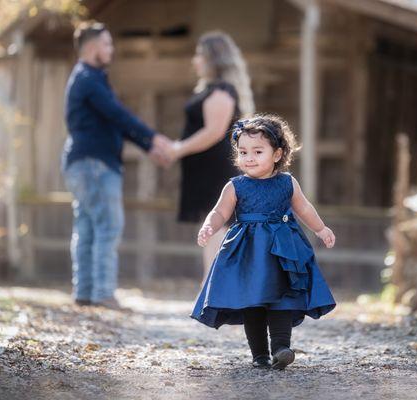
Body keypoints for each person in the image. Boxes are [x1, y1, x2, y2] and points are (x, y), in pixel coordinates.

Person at [191, 115, 337, 369]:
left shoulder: (287, 182)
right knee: (253, 301)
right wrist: (209, 226)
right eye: (243, 151)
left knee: (283, 298)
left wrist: (321, 228)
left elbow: (304, 209)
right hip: (248, 253)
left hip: (282, 250)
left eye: (258, 151)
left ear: (277, 154)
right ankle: (259, 354)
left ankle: (281, 348)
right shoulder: (235, 186)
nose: (249, 157)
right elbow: (220, 212)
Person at [61, 22, 172, 309]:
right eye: (107, 44)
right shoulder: (88, 78)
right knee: (108, 226)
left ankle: (85, 293)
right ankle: (103, 293)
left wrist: (148, 148)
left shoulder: (88, 78)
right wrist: (153, 137)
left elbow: (112, 121)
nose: (111, 50)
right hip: (94, 163)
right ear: (92, 46)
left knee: (87, 226)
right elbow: (117, 114)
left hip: (82, 162)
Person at [168, 31, 254, 277]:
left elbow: (214, 131)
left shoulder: (222, 91)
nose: (195, 61)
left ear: (213, 59)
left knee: (217, 228)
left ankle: (212, 293)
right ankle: (213, 292)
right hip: (204, 171)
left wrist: (178, 149)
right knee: (214, 229)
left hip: (215, 171)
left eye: (199, 55)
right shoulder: (214, 90)